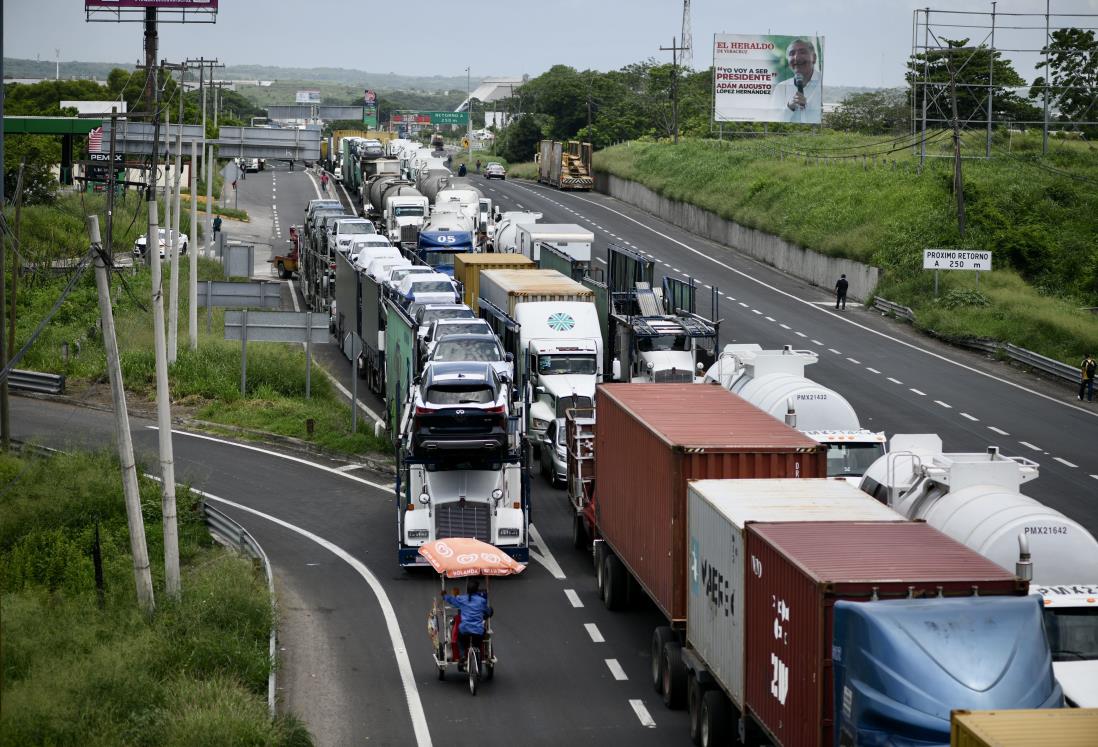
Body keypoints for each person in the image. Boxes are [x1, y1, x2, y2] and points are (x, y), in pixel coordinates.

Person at [771, 38, 823, 124]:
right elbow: (773, 121)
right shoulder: (781, 88)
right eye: (792, 54)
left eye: (802, 52)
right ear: (788, 61)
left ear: (814, 58)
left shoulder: (823, 84)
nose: (796, 57)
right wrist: (790, 107)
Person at [444, 577, 492, 667]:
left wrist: (444, 595)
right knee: (478, 643)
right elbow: (488, 612)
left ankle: (462, 656)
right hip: (478, 631)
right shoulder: (482, 601)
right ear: (477, 590)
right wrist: (489, 612)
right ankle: (479, 654)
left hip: (464, 629)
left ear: (467, 590)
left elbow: (451, 600)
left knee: (460, 640)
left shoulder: (462, 599)